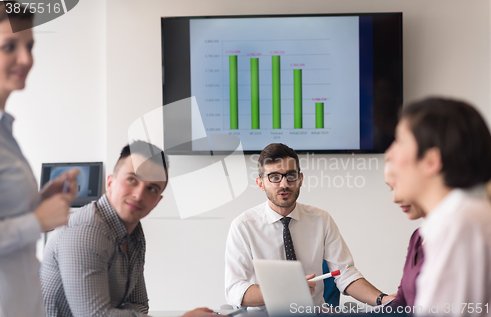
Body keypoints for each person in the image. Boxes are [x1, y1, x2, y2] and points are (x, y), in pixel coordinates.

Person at [41, 141, 215, 317]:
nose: (139, 195)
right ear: (110, 182)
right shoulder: (86, 231)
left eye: (152, 188)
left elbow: (138, 304)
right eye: (132, 179)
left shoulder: (134, 234)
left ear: (157, 202)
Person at [225, 143, 394, 310]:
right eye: (274, 177)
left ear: (300, 179)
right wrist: (284, 291)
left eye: (290, 175)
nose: (284, 184)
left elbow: (345, 274)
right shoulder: (243, 227)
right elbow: (234, 290)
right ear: (260, 183)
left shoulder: (321, 220)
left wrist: (383, 300)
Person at [385, 97, 491, 316]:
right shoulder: (463, 218)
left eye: (399, 140)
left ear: (431, 161)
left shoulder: (460, 224)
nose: (389, 153)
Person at [0, 3, 79, 316]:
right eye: (9, 47)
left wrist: (39, 200)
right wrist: (37, 221)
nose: (27, 59)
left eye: (30, 46)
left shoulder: (6, 132)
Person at [384, 160, 425, 311]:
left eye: (400, 186)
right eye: (391, 189)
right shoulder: (417, 237)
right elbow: (399, 307)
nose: (395, 198)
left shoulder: (456, 237)